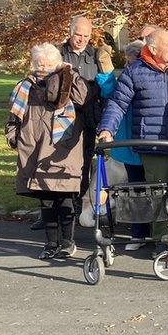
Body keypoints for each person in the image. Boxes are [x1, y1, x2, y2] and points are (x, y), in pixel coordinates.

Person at [97, 28, 168, 257]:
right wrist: (107, 129)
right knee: (158, 194)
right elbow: (118, 103)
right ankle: (162, 239)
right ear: (153, 48)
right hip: (152, 145)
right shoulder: (135, 71)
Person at [6, 43, 89, 259]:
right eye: (39, 63)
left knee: (66, 198)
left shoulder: (68, 81)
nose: (43, 67)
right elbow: (14, 116)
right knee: (47, 201)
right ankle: (51, 243)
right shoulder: (25, 88)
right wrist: (13, 136)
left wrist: (70, 73)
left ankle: (68, 242)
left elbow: (83, 98)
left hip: (63, 150)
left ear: (57, 63)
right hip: (35, 150)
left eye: (49, 64)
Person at [94, 40, 151, 250]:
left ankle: (157, 229)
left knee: (154, 188)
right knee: (135, 189)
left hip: (149, 140)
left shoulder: (148, 76)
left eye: (132, 61)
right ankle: (138, 233)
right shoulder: (125, 80)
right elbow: (111, 94)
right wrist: (106, 69)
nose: (129, 67)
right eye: (127, 62)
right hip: (129, 144)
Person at [52, 16, 107, 232]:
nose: (81, 39)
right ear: (70, 32)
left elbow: (104, 86)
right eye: (78, 35)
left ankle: (77, 201)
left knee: (84, 161)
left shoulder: (95, 55)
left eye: (86, 36)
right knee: (60, 160)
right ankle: (55, 207)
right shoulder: (57, 53)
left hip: (89, 117)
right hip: (62, 117)